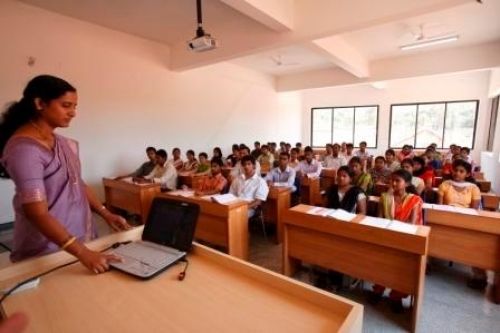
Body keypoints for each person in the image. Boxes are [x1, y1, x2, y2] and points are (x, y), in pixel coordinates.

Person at [0, 75, 129, 273]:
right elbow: (36, 213)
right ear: (40, 103)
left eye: (75, 106)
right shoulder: (24, 149)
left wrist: (106, 214)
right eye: (66, 105)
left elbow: (78, 183)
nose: (73, 113)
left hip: (80, 239)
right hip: (47, 248)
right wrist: (83, 253)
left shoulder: (62, 143)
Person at [370, 169, 423, 313]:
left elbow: (413, 225)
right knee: (382, 264)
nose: (393, 183)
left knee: (401, 268)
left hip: (404, 239)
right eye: (391, 180)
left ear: (406, 183)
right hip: (386, 236)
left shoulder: (415, 200)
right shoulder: (385, 197)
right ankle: (378, 290)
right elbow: (379, 219)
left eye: (397, 181)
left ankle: (396, 296)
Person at [437, 159, 483, 290]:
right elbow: (439, 206)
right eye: (455, 170)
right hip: (445, 217)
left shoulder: (473, 188)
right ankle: (426, 263)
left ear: (467, 174)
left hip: (466, 220)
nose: (457, 173)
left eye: (461, 171)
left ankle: (479, 275)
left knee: (478, 243)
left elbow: (474, 210)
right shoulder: (445, 184)